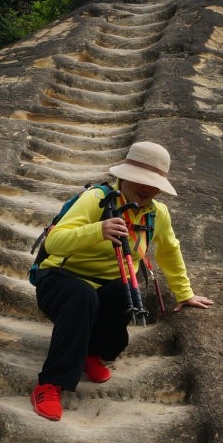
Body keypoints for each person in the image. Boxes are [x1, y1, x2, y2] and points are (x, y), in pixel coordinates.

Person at [29, 141, 213, 421]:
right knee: (83, 296)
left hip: (108, 284)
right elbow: (54, 242)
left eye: (154, 184)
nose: (147, 188)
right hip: (60, 278)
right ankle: (50, 384)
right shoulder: (96, 200)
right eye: (141, 180)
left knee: (124, 293)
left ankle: (93, 352)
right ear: (124, 176)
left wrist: (184, 293)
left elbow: (169, 250)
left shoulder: (156, 214)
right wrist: (97, 230)